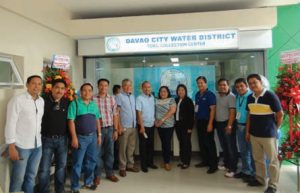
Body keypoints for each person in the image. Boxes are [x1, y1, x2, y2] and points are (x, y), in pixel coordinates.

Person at [5, 75, 44, 193]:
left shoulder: (41, 101)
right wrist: (11, 147)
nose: (36, 86)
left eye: (39, 84)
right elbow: (10, 123)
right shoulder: (18, 100)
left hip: (37, 146)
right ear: (27, 85)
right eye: (33, 83)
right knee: (18, 178)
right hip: (22, 146)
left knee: (31, 176)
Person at [246, 74, 283, 193]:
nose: (252, 85)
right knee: (258, 159)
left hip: (268, 135)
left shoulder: (270, 95)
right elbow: (249, 115)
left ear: (261, 82)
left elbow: (280, 114)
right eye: (250, 83)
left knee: (272, 161)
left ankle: (272, 185)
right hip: (254, 134)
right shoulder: (250, 97)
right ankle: (260, 179)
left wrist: (275, 128)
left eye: (254, 82)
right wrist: (247, 132)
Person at [68, 83, 101, 193]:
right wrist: (74, 138)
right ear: (80, 92)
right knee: (77, 163)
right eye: (84, 90)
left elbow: (97, 120)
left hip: (93, 137)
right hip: (80, 138)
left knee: (92, 161)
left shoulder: (93, 104)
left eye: (89, 90)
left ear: (92, 92)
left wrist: (99, 135)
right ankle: (75, 186)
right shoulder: (75, 104)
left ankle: (88, 182)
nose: (87, 93)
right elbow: (71, 121)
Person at [39, 79, 69, 193]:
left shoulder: (67, 102)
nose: (59, 90)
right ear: (51, 88)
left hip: (62, 140)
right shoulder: (43, 101)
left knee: (61, 168)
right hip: (46, 140)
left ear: (65, 90)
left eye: (62, 88)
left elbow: (70, 121)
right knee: (44, 169)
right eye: (57, 87)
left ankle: (59, 190)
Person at [93, 79, 119, 185]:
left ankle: (110, 173)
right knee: (97, 153)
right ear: (98, 86)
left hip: (110, 129)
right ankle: (97, 175)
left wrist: (116, 130)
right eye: (101, 85)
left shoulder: (112, 99)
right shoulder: (92, 98)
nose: (103, 87)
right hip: (96, 130)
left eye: (105, 85)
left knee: (110, 152)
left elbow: (115, 115)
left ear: (108, 87)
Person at [115, 79, 139, 177]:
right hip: (124, 127)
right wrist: (119, 126)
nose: (128, 87)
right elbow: (117, 112)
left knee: (131, 147)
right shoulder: (119, 97)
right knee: (122, 148)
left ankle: (130, 165)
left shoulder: (133, 96)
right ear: (122, 86)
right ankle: (122, 167)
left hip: (133, 126)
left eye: (129, 85)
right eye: (125, 85)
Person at [194, 76, 218, 174]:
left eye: (202, 83)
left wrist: (210, 124)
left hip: (207, 122)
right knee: (202, 142)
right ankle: (205, 161)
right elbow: (196, 108)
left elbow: (213, 110)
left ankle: (213, 165)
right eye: (198, 83)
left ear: (206, 83)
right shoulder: (197, 94)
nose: (200, 85)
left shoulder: (210, 95)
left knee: (209, 143)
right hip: (199, 122)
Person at [233, 78, 255, 181]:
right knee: (243, 150)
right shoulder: (238, 96)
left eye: (241, 86)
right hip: (239, 126)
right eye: (237, 87)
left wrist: (249, 129)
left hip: (249, 127)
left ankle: (254, 174)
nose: (239, 88)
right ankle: (246, 171)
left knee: (252, 151)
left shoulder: (251, 96)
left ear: (246, 85)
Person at [215, 78, 238, 178]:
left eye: (224, 85)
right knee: (224, 145)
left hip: (227, 124)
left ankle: (233, 168)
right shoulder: (217, 95)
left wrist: (229, 125)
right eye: (220, 85)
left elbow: (232, 112)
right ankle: (226, 163)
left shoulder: (231, 97)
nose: (222, 87)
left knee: (231, 146)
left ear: (228, 86)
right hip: (219, 124)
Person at [136, 81, 158, 172]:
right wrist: (141, 126)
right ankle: (144, 165)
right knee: (143, 146)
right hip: (143, 125)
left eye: (149, 87)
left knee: (150, 145)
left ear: (151, 88)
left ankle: (150, 162)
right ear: (142, 88)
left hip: (151, 125)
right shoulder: (139, 98)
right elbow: (139, 113)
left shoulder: (152, 97)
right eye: (145, 87)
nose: (147, 89)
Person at [155, 86, 176, 171]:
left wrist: (162, 120)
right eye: (161, 91)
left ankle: (167, 163)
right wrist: (155, 121)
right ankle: (165, 161)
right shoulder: (156, 100)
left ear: (168, 92)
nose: (163, 93)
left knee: (167, 144)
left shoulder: (171, 100)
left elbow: (172, 111)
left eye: (164, 91)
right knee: (163, 143)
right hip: (159, 126)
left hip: (168, 125)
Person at [175, 84, 194, 169]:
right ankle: (183, 161)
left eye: (182, 90)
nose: (180, 91)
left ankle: (187, 162)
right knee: (181, 143)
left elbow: (191, 115)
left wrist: (190, 127)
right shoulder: (176, 100)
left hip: (186, 126)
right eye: (179, 90)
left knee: (186, 144)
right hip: (178, 125)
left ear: (185, 91)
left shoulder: (188, 100)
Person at [112, 84, 121, 170]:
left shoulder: (112, 98)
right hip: (114, 126)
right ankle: (114, 164)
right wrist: (118, 127)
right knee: (115, 148)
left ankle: (114, 165)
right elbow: (117, 114)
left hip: (114, 126)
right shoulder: (115, 98)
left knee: (115, 147)